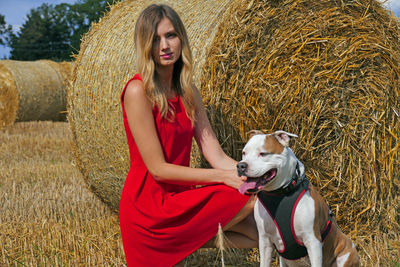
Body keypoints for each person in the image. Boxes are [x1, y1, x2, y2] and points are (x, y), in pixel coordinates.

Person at [119, 4, 258, 267]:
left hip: (179, 201)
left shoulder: (189, 93)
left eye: (170, 35)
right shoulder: (137, 91)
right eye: (155, 39)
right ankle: (184, 237)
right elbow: (158, 170)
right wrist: (223, 178)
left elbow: (215, 154)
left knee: (259, 224)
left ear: (181, 37)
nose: (164, 46)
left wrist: (253, 173)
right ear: (144, 46)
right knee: (247, 198)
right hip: (149, 209)